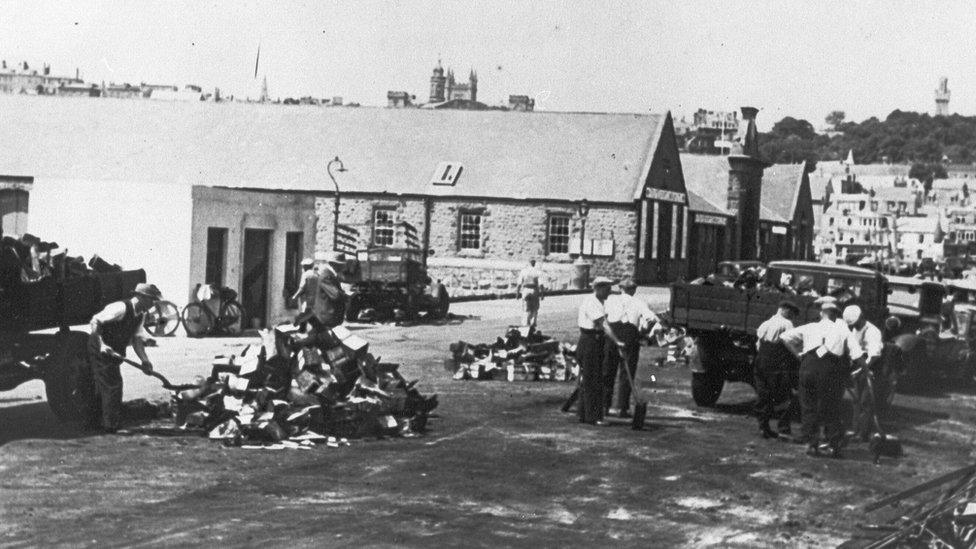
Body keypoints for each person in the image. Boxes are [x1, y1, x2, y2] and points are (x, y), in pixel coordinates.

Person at [779, 296, 864, 458]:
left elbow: (785, 337)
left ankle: (812, 444)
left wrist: (799, 354)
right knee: (831, 408)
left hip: (808, 367)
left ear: (822, 313)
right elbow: (857, 353)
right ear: (835, 314)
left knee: (808, 406)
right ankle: (834, 446)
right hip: (829, 370)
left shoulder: (810, 327)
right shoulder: (842, 330)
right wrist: (865, 368)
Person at [82, 282, 162, 432]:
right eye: (151, 300)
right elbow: (95, 321)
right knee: (113, 385)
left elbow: (137, 340)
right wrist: (102, 345)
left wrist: (145, 360)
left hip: (115, 351)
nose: (152, 304)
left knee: (104, 385)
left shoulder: (141, 315)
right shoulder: (121, 307)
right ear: (140, 297)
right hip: (100, 346)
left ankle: (94, 423)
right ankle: (111, 426)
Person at [603, 277, 657, 418]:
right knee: (627, 373)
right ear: (633, 290)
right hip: (630, 335)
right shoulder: (639, 302)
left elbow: (604, 317)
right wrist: (643, 332)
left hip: (612, 334)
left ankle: (604, 406)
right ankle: (622, 408)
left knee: (608, 370)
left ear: (621, 289)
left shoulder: (611, 299)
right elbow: (652, 319)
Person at [576, 276, 625, 426]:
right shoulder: (592, 303)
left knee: (590, 379)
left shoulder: (598, 301)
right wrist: (617, 341)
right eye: (607, 289)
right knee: (593, 380)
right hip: (590, 342)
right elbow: (604, 324)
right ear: (599, 288)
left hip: (594, 341)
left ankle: (584, 414)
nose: (610, 292)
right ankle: (593, 417)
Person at [754, 300, 800, 439]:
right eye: (792, 313)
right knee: (784, 396)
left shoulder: (765, 323)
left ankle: (763, 427)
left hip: (761, 360)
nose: (792, 316)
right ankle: (783, 429)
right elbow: (790, 343)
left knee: (764, 394)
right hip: (777, 363)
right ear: (785, 310)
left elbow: (758, 345)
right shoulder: (787, 324)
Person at [843, 305, 886, 441]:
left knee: (866, 401)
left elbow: (874, 355)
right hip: (859, 367)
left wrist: (862, 370)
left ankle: (863, 433)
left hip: (871, 368)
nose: (854, 326)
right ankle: (856, 430)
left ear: (861, 317)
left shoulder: (872, 331)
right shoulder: (855, 330)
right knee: (857, 401)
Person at [310, 251, 348, 330]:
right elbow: (335, 295)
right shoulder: (327, 276)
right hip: (328, 317)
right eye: (340, 265)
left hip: (330, 316)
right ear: (333, 264)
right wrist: (346, 295)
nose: (342, 267)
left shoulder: (330, 275)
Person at [516, 259, 545, 329]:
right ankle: (532, 324)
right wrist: (542, 294)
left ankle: (525, 324)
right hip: (534, 290)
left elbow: (519, 283)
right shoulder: (537, 271)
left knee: (526, 308)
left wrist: (517, 293)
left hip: (525, 290)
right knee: (534, 308)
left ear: (528, 263)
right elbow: (541, 284)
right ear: (534, 263)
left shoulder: (523, 271)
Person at [291, 258, 319, 329]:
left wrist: (295, 296)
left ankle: (295, 328)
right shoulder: (316, 275)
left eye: (303, 266)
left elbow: (302, 287)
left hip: (306, 298)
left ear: (305, 266)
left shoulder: (305, 274)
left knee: (302, 315)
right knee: (310, 314)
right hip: (315, 299)